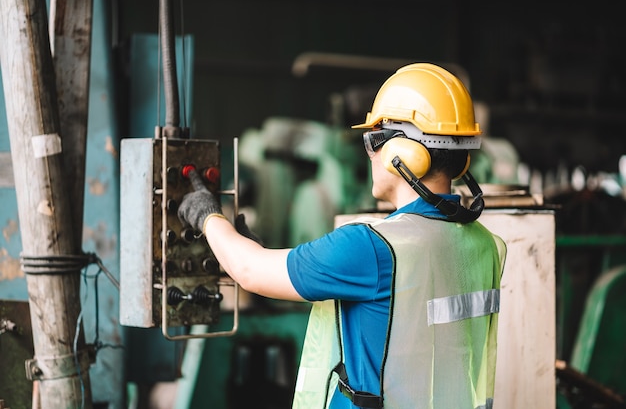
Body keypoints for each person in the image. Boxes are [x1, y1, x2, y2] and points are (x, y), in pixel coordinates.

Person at [177, 63, 507, 409]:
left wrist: (207, 215)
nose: (369, 156)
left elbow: (249, 271)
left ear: (401, 154)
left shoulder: (373, 249)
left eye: (371, 141)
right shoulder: (486, 245)